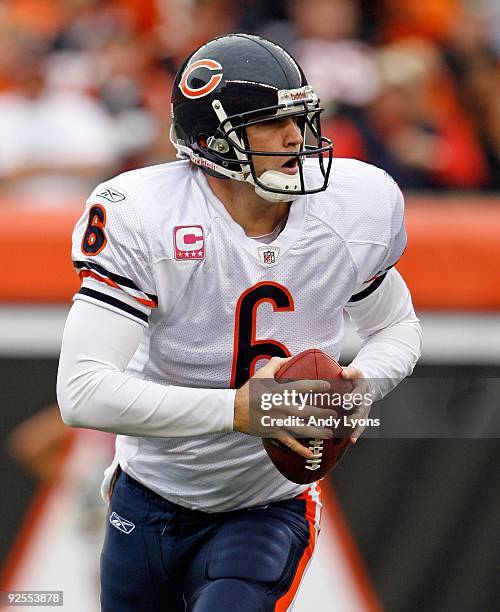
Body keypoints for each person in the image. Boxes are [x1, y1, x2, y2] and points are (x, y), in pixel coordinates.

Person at [57, 33, 422, 611]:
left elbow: (397, 328)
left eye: (301, 119)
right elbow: (81, 393)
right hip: (150, 495)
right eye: (272, 124)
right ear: (211, 142)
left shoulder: (351, 207)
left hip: (268, 503)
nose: (296, 139)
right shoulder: (146, 216)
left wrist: (361, 385)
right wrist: (237, 411)